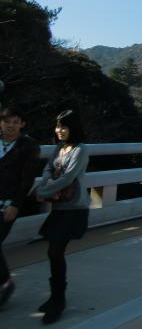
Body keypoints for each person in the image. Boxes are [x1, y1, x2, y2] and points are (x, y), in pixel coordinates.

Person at [35, 110, 90, 324]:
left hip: (74, 208)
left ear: (73, 128)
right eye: (57, 126)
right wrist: (45, 184)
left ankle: (58, 299)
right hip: (59, 207)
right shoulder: (59, 147)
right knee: (53, 252)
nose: (59, 131)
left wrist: (43, 192)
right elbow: (48, 169)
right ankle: (56, 296)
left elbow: (69, 177)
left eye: (64, 127)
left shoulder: (80, 149)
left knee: (55, 250)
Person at [0, 106, 41, 307]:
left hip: (8, 204)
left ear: (22, 124)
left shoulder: (28, 145)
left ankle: (6, 282)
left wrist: (16, 205)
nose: (11, 126)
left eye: (15, 122)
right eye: (7, 121)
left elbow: (27, 179)